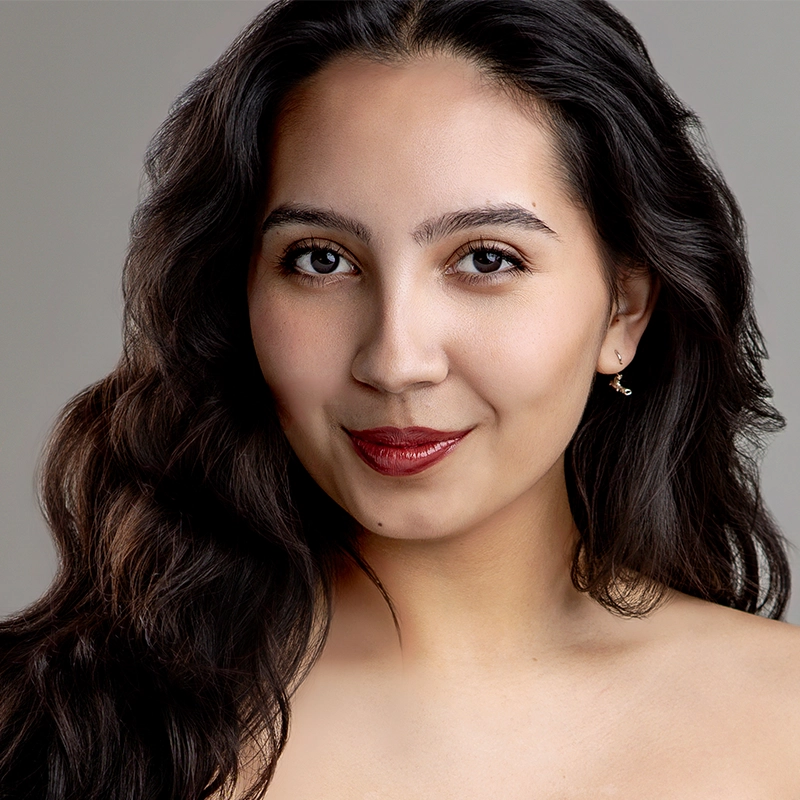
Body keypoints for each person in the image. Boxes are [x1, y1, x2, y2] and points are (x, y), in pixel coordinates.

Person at [1, 0, 798, 797]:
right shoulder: (54, 724)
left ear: (624, 310)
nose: (395, 361)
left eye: (486, 259)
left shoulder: (781, 720)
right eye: (320, 260)